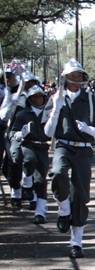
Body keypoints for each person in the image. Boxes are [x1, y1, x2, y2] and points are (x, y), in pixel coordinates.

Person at [43, 59, 95, 258]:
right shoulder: (56, 98)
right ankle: (63, 209)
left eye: (79, 75)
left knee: (80, 195)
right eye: (72, 76)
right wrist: (55, 110)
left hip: (84, 150)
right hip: (63, 146)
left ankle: (76, 243)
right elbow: (47, 132)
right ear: (65, 79)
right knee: (58, 174)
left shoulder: (90, 100)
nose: (76, 79)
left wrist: (89, 129)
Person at [9, 85, 49, 222]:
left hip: (43, 147)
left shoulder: (49, 113)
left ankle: (40, 212)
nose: (38, 99)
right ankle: (26, 182)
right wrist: (21, 133)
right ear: (29, 99)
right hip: (28, 144)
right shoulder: (23, 114)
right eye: (34, 97)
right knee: (29, 160)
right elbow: (13, 133)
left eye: (40, 96)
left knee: (42, 180)